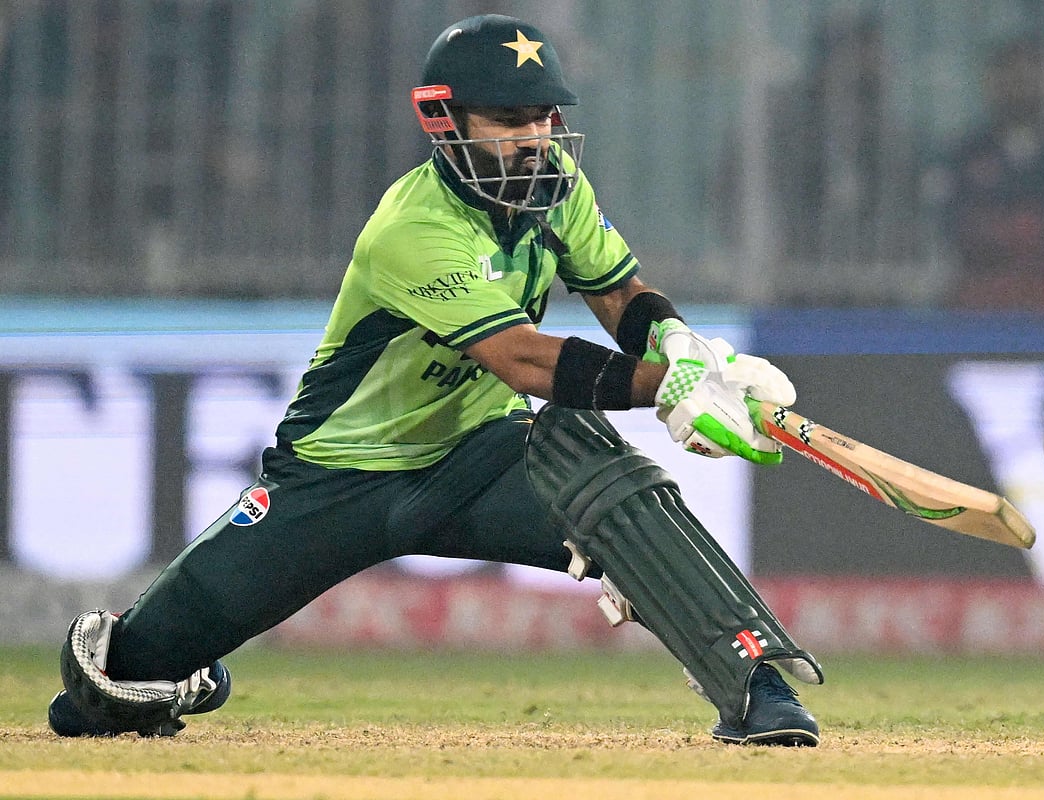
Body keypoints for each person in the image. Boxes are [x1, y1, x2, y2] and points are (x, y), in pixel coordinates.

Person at [46, 14, 823, 747]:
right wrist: (667, 388)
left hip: (479, 456)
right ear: (445, 122)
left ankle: (757, 684)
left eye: (545, 116)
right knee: (107, 692)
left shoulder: (559, 190)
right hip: (339, 476)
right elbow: (522, 359)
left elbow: (616, 293)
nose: (535, 139)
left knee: (621, 492)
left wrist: (686, 350)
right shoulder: (412, 230)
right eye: (509, 120)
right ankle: (161, 676)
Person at [931, 35, 1044, 310]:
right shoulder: (966, 152)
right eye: (1010, 74)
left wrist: (1041, 236)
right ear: (990, 82)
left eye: (1032, 72)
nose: (1021, 83)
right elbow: (951, 219)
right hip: (987, 286)